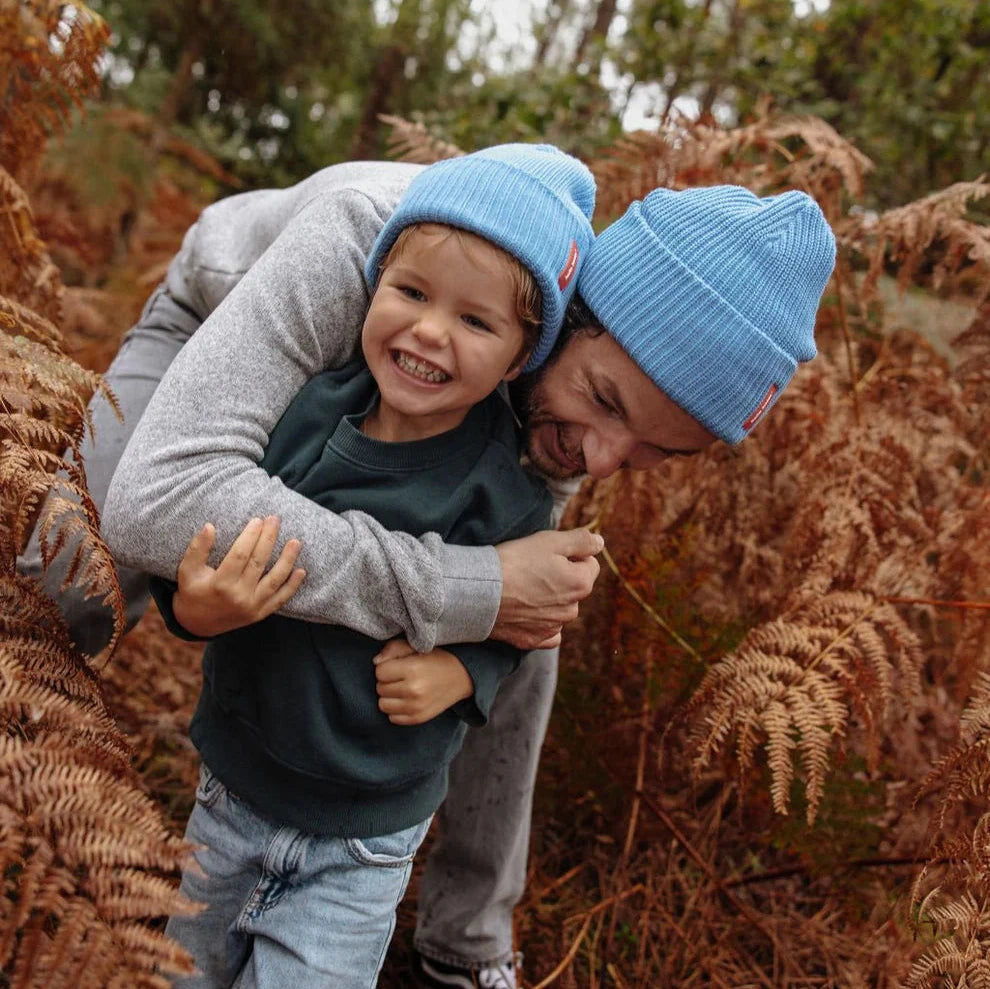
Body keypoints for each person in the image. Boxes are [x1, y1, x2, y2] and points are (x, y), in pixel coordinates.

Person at [22, 156, 835, 987]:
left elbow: (511, 595)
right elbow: (157, 496)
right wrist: (466, 587)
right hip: (221, 319)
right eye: (607, 401)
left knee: (529, 612)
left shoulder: (544, 366)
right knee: (63, 576)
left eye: (658, 451)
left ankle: (466, 939)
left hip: (417, 382)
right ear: (572, 318)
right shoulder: (366, 244)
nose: (600, 456)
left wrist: (490, 612)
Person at [142, 143, 596, 988]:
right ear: (374, 281)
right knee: (182, 972)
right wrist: (191, 608)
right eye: (411, 291)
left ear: (521, 357)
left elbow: (524, 624)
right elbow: (213, 547)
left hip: (366, 841)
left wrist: (463, 673)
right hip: (232, 794)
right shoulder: (307, 417)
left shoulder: (502, 490)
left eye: (475, 320)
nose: (429, 330)